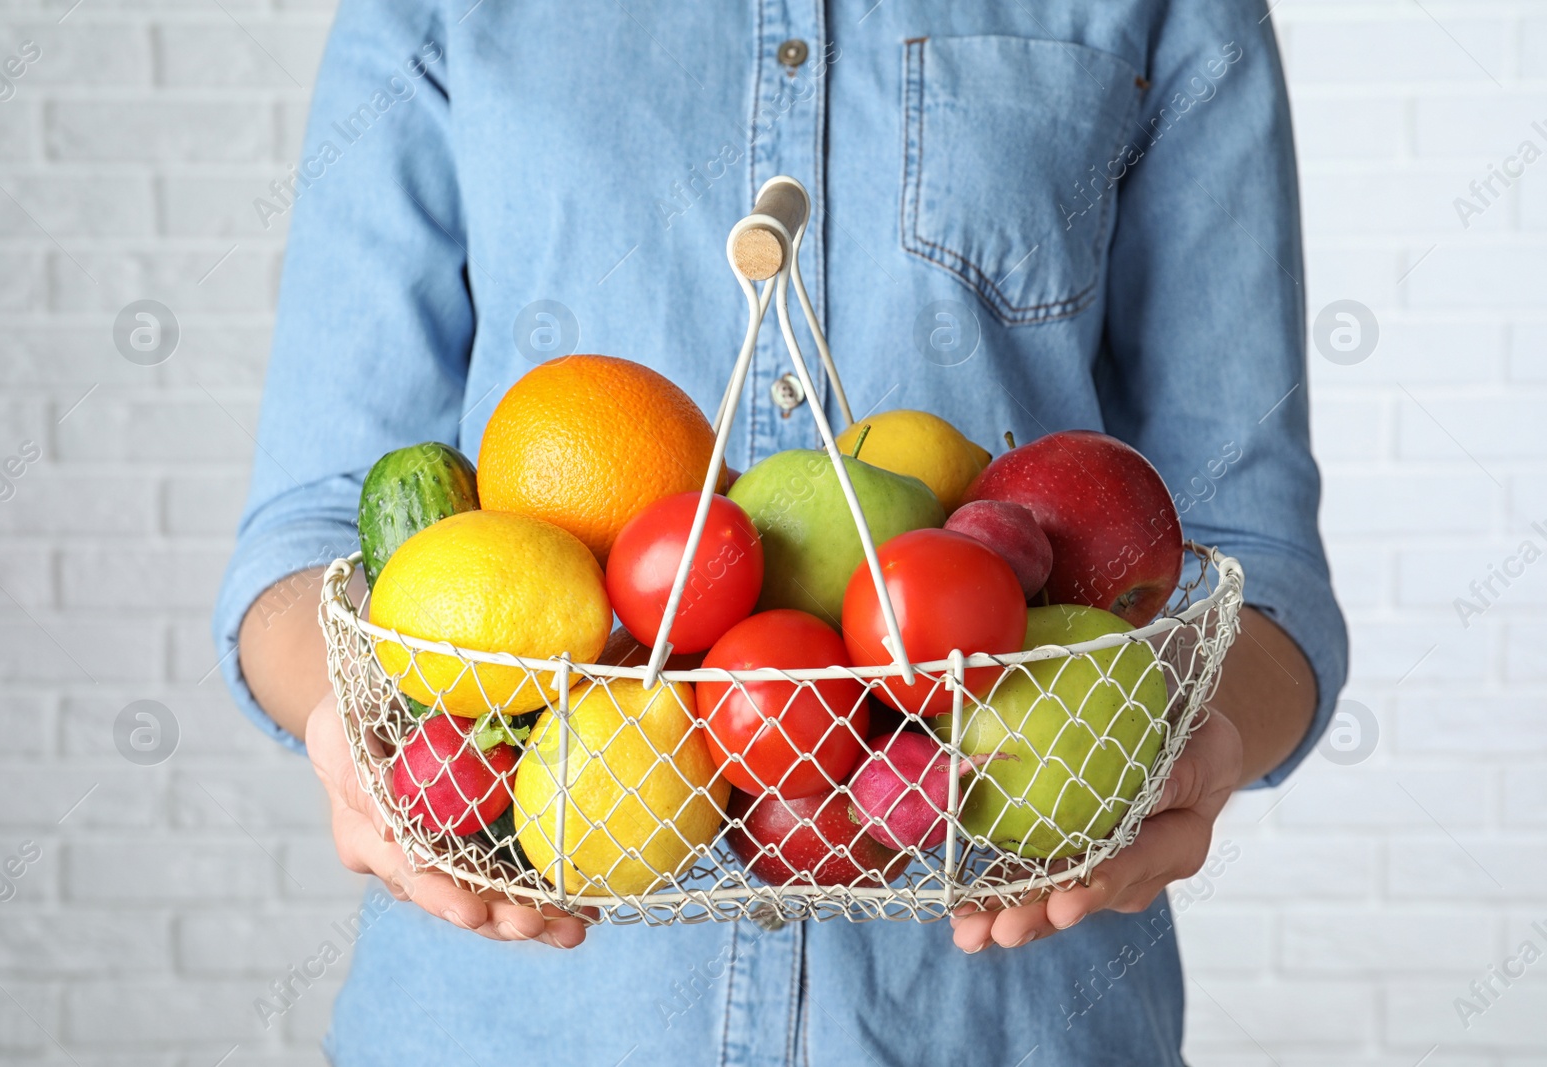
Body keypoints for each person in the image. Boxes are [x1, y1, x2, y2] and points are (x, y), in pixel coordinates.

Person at [215, 0, 1347, 1062]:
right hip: (517, 1022)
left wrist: (1197, 745)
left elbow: (1258, 558)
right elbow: (307, 531)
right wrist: (357, 731)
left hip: (1004, 1014)